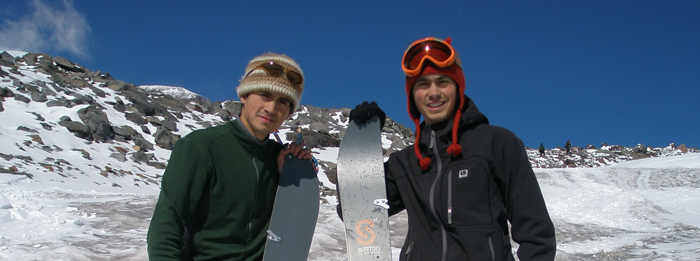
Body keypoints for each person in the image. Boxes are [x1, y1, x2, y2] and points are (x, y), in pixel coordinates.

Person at [347, 37, 556, 260]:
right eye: (423, 84)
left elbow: (537, 236)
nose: (433, 92)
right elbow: (354, 210)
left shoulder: (497, 144)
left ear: (458, 87)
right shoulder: (405, 164)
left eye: (443, 81)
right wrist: (363, 146)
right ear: (412, 95)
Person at [147, 53, 312, 260]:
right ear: (244, 95)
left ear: (288, 113)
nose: (271, 108)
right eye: (265, 95)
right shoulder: (201, 147)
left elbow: (290, 237)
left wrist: (288, 176)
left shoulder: (279, 159)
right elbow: (168, 224)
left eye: (283, 102)